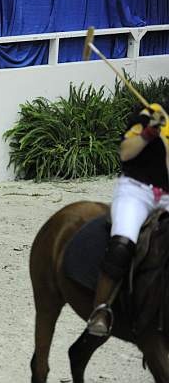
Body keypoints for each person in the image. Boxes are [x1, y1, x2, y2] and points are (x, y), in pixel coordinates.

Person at [87, 102, 169, 336]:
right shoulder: (153, 112)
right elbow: (125, 152)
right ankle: (101, 310)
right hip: (138, 191)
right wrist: (149, 133)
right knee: (122, 244)